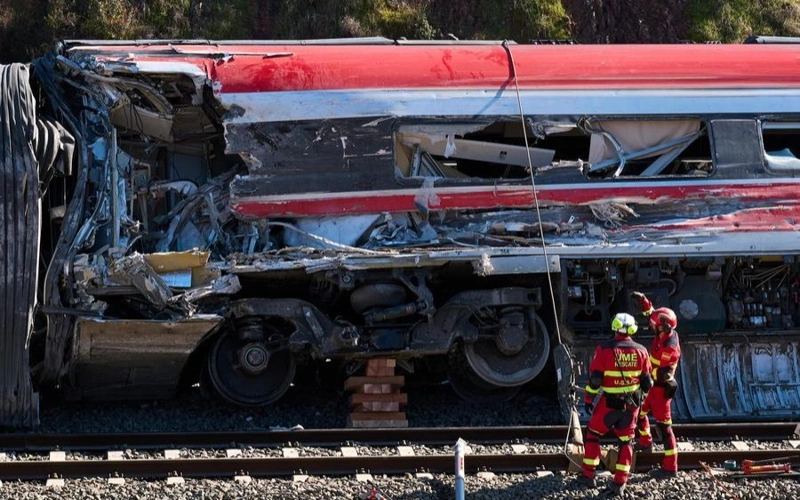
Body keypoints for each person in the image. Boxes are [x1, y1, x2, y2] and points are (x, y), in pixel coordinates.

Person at [582, 312, 653, 497]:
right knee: (626, 442)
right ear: (633, 328)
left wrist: (589, 400)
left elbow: (595, 380)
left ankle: (588, 475)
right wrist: (640, 400)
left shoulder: (604, 349)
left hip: (608, 405)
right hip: (631, 407)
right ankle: (620, 482)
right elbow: (647, 382)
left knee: (592, 435)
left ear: (614, 327)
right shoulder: (642, 351)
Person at [631, 291, 682, 478]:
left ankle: (670, 467)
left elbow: (662, 372)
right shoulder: (664, 333)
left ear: (664, 327)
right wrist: (644, 302)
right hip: (651, 387)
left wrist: (643, 373)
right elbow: (652, 314)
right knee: (639, 412)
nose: (651, 326)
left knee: (664, 429)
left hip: (660, 390)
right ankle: (645, 441)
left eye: (655, 326)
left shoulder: (670, 347)